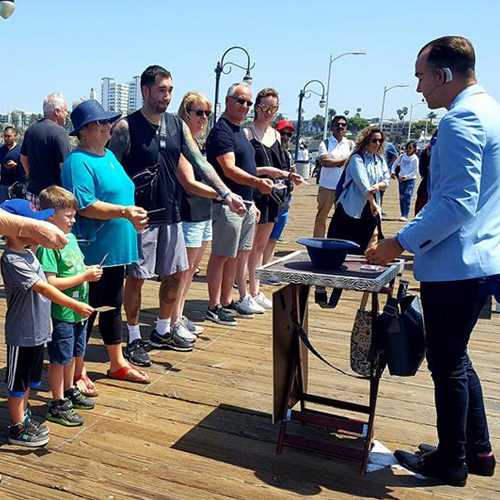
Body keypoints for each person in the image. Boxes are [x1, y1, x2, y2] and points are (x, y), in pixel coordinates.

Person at [366, 36, 499, 487]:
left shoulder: (461, 120)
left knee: (446, 364)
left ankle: (452, 462)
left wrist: (397, 243)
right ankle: (477, 451)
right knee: (457, 358)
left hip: (456, 264)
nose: (419, 88)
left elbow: (456, 204)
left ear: (442, 75)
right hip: (483, 260)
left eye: (421, 77)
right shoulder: (491, 110)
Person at [109, 66, 246, 364]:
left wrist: (226, 193)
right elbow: (111, 172)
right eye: (161, 90)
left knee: (175, 274)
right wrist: (116, 213)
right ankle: (132, 337)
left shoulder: (176, 126)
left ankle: (162, 329)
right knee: (136, 278)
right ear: (145, 91)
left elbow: (202, 163)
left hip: (171, 214)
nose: (167, 96)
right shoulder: (125, 128)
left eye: (170, 90)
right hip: (139, 218)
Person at [62, 98, 151, 389]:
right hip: (94, 248)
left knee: (112, 306)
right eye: (100, 122)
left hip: (118, 248)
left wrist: (130, 213)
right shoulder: (77, 161)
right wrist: (124, 212)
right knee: (86, 310)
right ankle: (77, 370)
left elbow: (121, 193)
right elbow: (85, 205)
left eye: (107, 121)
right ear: (83, 131)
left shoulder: (109, 156)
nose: (107, 126)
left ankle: (117, 363)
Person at [1, 199, 93, 447]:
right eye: (35, 224)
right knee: (17, 383)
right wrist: (74, 305)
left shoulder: (30, 254)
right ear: (18, 230)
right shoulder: (12, 260)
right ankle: (17, 426)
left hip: (38, 331)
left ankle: (24, 416)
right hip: (22, 333)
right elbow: (43, 288)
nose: (40, 226)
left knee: (30, 380)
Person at [205, 83, 274, 325]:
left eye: (248, 102)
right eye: (240, 101)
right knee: (221, 256)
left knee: (234, 256)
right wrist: (257, 183)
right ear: (227, 101)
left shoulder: (239, 131)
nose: (245, 106)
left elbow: (248, 166)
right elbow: (229, 169)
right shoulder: (222, 131)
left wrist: (252, 200)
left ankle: (226, 301)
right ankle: (214, 306)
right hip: (227, 204)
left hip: (245, 204)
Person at [37, 186, 101, 426]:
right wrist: (83, 278)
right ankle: (57, 402)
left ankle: (70, 388)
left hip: (78, 310)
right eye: (69, 216)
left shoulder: (70, 238)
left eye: (74, 215)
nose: (74, 220)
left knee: (75, 353)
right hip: (62, 312)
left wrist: (88, 271)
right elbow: (51, 282)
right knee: (59, 359)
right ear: (50, 215)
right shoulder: (47, 244)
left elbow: (77, 267)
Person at [245, 88, 302, 308]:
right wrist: (266, 171)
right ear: (257, 107)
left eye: (273, 108)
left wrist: (289, 175)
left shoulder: (276, 135)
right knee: (247, 246)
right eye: (264, 107)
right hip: (254, 194)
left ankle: (255, 289)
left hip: (273, 196)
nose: (269, 112)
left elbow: (281, 167)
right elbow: (245, 168)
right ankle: (245, 292)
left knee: (261, 245)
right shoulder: (247, 134)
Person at [170, 91, 218, 337]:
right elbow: (188, 182)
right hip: (188, 213)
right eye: (198, 112)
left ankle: (179, 314)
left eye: (207, 113)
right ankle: (173, 320)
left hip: (204, 213)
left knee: (193, 269)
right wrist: (223, 194)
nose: (203, 118)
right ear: (185, 113)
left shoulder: (199, 144)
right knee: (183, 271)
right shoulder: (181, 144)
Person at [327, 126, 390, 253]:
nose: (377, 144)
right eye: (374, 140)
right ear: (366, 141)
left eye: (380, 141)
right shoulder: (356, 159)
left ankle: (371, 261)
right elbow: (363, 183)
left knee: (374, 234)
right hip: (352, 205)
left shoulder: (380, 160)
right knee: (346, 239)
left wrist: (379, 186)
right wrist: (372, 201)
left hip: (372, 204)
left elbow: (387, 179)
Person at [20, 93, 71, 208]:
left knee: (35, 225)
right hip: (54, 197)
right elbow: (65, 167)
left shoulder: (30, 129)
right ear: (57, 112)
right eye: (65, 110)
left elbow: (23, 158)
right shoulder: (60, 133)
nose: (66, 114)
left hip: (32, 193)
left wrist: (33, 176)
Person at [262, 120, 295, 268]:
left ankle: (265, 269)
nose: (285, 137)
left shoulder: (288, 155)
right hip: (269, 199)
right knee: (259, 239)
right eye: (283, 133)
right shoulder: (266, 151)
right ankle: (245, 274)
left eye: (289, 134)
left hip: (284, 200)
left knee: (273, 238)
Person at [313, 116, 353, 238]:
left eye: (343, 125)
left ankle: (338, 243)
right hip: (327, 187)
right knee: (321, 217)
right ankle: (318, 243)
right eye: (337, 124)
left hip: (344, 188)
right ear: (332, 127)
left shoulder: (351, 144)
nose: (340, 127)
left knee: (343, 219)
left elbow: (353, 163)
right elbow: (325, 162)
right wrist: (345, 160)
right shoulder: (325, 143)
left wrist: (334, 161)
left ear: (346, 128)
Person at [392, 140, 419, 221]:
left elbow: (415, 171)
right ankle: (402, 214)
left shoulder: (415, 158)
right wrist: (393, 172)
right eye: (407, 147)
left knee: (408, 195)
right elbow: (394, 164)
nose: (408, 149)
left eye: (410, 148)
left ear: (414, 149)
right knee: (402, 196)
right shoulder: (402, 156)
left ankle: (405, 214)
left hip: (410, 179)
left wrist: (406, 177)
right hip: (401, 179)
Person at [415, 130, 437, 214]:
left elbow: (422, 170)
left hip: (426, 182)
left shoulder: (427, 150)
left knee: (421, 208)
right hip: (440, 185)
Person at [0, 126, 24, 203]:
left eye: (9, 136)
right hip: (4, 184)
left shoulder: (21, 150)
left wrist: (16, 165)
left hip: (18, 184)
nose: (6, 138)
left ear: (15, 136)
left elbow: (26, 166)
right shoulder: (1, 150)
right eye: (5, 136)